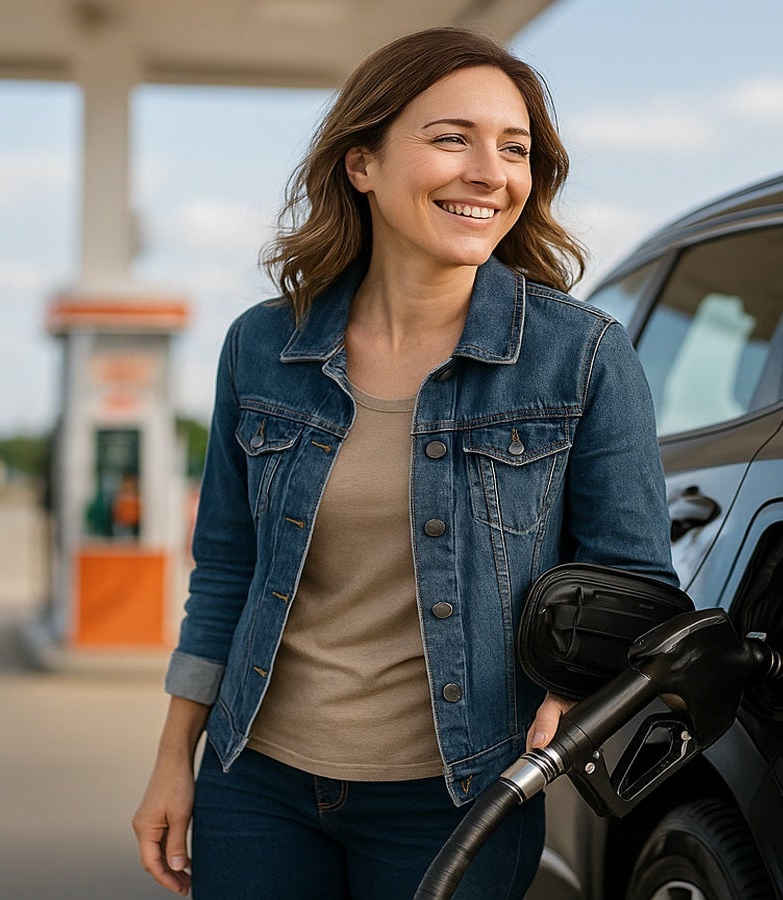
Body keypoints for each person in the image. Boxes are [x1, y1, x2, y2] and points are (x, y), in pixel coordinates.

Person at [131, 27, 675, 899]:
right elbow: (227, 569)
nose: (489, 172)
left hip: (459, 795)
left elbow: (631, 574)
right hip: (257, 779)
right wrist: (173, 756)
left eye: (514, 148)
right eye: (450, 137)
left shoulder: (582, 357)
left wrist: (576, 691)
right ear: (362, 164)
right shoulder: (262, 346)